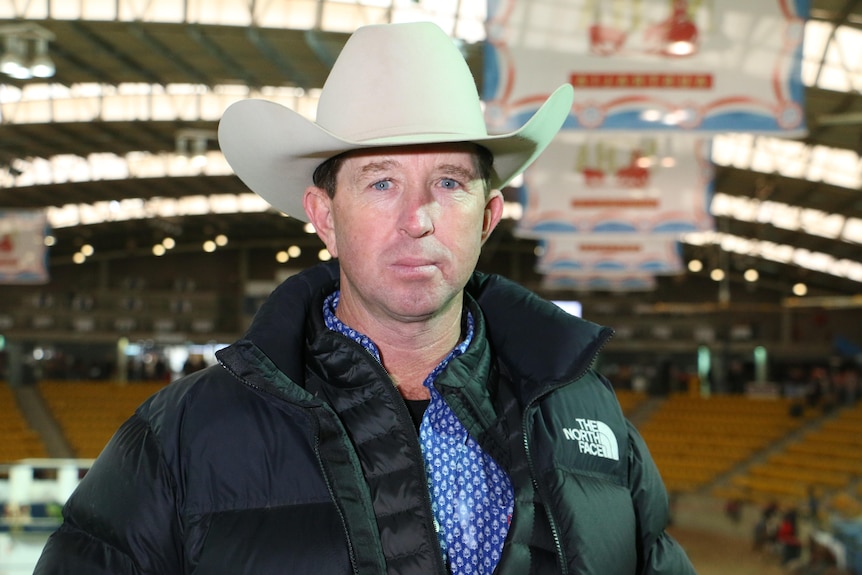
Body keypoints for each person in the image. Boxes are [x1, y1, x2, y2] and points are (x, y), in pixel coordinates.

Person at [34, 21, 696, 575]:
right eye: (381, 183)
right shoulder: (180, 438)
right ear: (324, 216)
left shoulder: (589, 418)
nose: (418, 218)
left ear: (488, 216)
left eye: (448, 182)